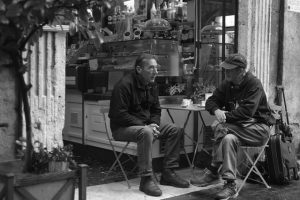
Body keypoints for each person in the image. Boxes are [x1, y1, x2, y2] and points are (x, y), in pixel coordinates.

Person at [190, 53, 275, 200]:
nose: (226, 72)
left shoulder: (253, 84)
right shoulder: (227, 83)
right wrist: (217, 111)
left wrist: (224, 118)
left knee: (221, 127)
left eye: (230, 69)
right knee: (228, 138)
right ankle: (230, 184)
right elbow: (211, 101)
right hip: (236, 128)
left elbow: (247, 112)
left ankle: (213, 170)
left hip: (259, 129)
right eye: (225, 69)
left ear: (241, 71)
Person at [109, 53, 189, 197]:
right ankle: (146, 179)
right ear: (139, 69)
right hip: (122, 129)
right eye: (151, 68)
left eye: (156, 68)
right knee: (146, 132)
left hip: (146, 126)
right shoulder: (123, 86)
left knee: (175, 130)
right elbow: (119, 115)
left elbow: (156, 109)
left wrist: (154, 124)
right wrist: (147, 127)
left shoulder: (151, 85)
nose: (156, 72)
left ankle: (168, 173)